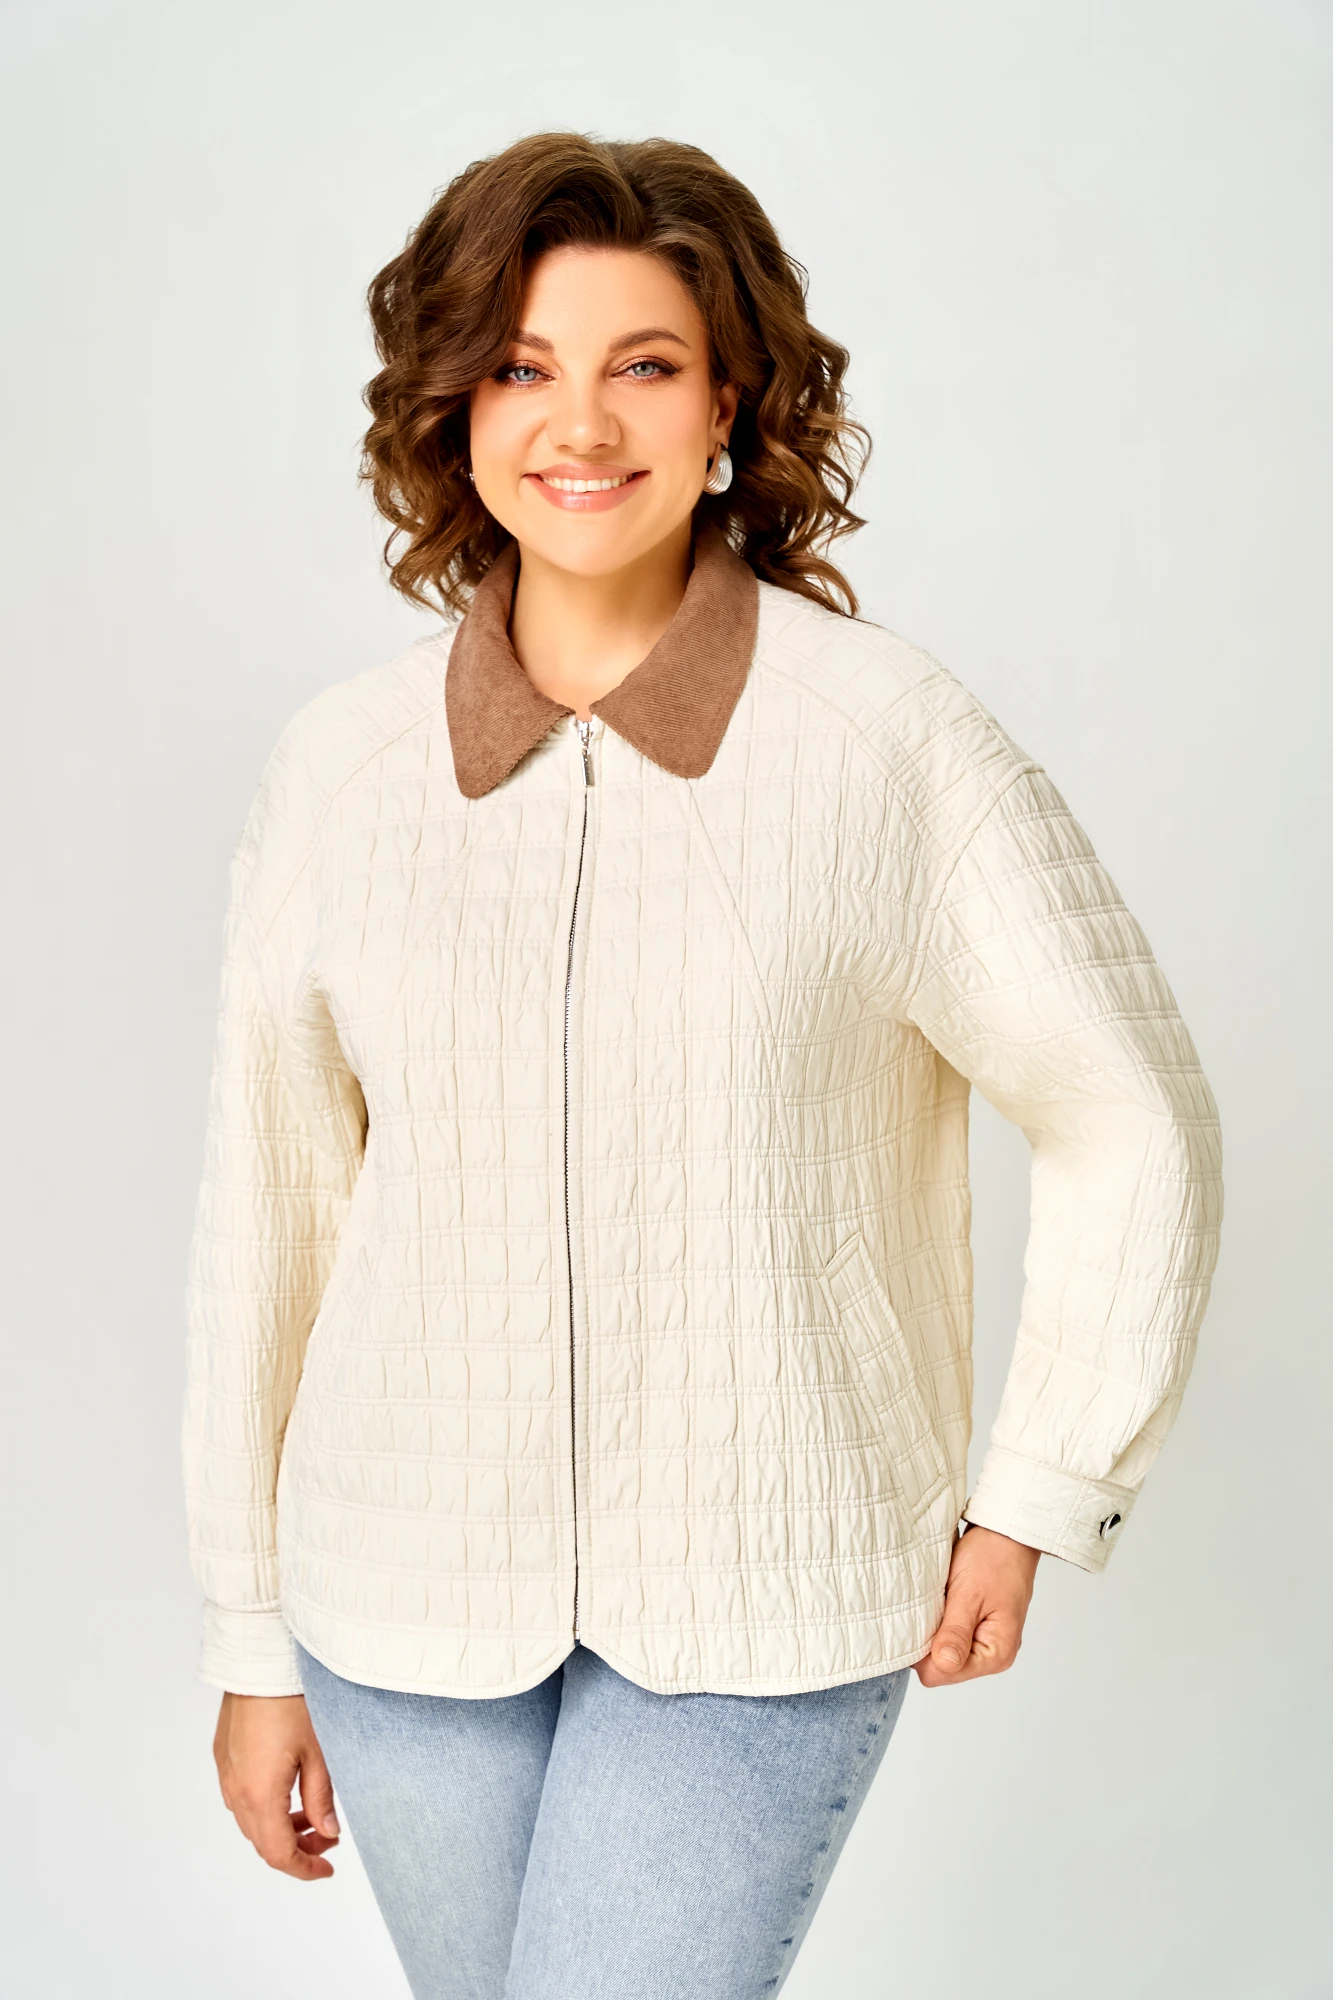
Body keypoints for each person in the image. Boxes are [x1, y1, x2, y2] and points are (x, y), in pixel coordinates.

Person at [182, 132, 1223, 1999]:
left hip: (769, 1595)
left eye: (643, 364)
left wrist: (1044, 1482)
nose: (580, 422)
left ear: (729, 401)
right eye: (521, 365)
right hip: (395, 1596)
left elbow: (1129, 1112)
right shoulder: (341, 772)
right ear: (454, 407)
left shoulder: (886, 741)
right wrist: (251, 1637)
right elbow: (274, 1212)